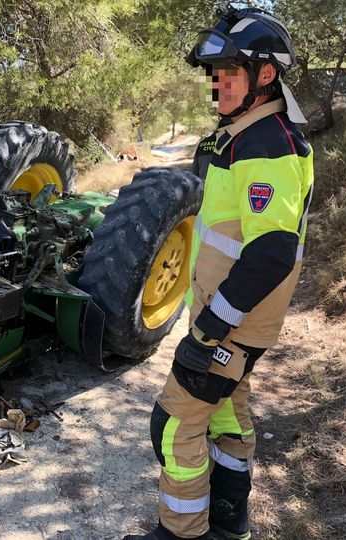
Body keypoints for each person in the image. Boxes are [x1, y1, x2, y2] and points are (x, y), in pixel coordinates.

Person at [125, 7, 314, 540]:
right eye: (216, 74)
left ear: (266, 74)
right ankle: (231, 525)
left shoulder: (266, 142)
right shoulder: (246, 132)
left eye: (231, 73)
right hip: (233, 317)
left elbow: (272, 252)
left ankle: (182, 530)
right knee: (228, 415)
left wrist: (209, 330)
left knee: (174, 424)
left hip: (231, 323)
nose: (218, 85)